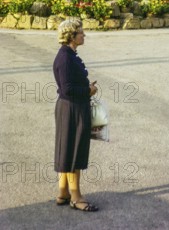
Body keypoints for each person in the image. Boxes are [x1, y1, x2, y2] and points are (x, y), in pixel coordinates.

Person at [53, 18, 99, 212]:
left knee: (68, 149)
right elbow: (67, 89)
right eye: (81, 32)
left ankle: (63, 192)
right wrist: (89, 90)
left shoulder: (69, 55)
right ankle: (76, 197)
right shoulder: (65, 58)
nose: (84, 35)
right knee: (74, 151)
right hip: (71, 108)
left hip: (73, 107)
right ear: (71, 36)